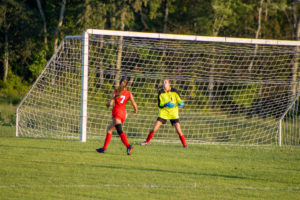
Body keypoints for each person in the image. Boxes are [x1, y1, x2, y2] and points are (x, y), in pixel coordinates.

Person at [96, 77, 138, 155]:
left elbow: (110, 103)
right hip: (124, 114)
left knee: (119, 130)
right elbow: (134, 104)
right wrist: (135, 110)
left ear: (120, 83)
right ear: (126, 85)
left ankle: (128, 146)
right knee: (109, 129)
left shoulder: (116, 91)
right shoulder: (129, 93)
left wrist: (107, 104)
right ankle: (104, 148)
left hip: (117, 113)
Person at [141, 78, 187, 147]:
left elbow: (180, 101)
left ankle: (185, 145)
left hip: (173, 114)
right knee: (154, 129)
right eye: (163, 82)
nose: (164, 83)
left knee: (178, 129)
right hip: (163, 113)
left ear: (169, 83)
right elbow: (159, 105)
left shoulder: (175, 91)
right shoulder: (161, 92)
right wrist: (166, 104)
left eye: (165, 82)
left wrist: (182, 104)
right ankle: (146, 142)